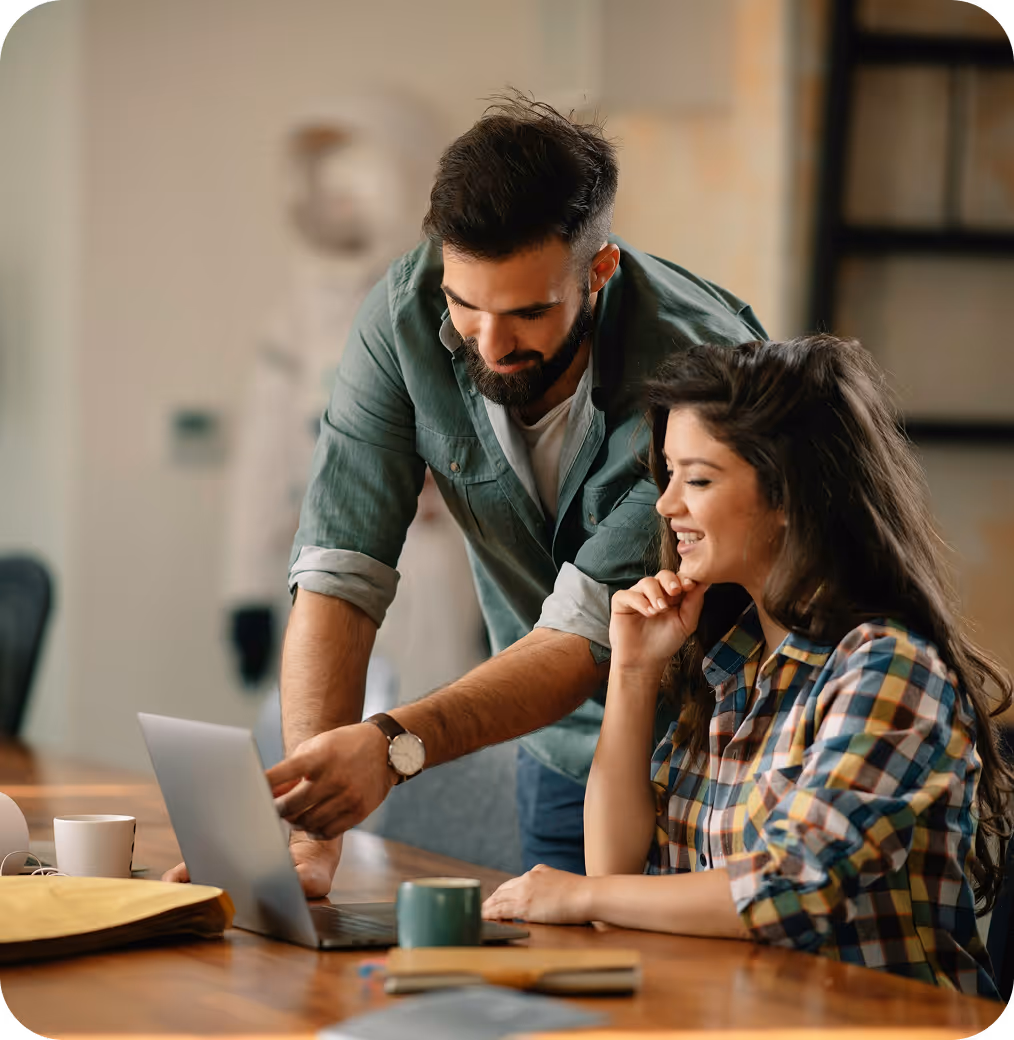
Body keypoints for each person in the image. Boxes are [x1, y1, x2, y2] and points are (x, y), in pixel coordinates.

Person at [165, 92, 765, 895]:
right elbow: (340, 569)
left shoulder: (698, 367)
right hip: (562, 755)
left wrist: (389, 746)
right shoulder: (401, 315)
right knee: (564, 1002)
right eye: (464, 303)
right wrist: (307, 825)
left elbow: (587, 632)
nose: (488, 343)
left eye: (528, 312)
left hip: (723, 749)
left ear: (600, 269)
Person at [481, 335, 1014, 999]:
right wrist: (633, 673)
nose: (666, 504)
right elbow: (614, 867)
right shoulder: (732, 664)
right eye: (668, 474)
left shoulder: (888, 669)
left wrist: (575, 896)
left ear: (789, 495)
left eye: (697, 479)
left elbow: (790, 892)